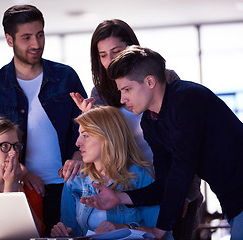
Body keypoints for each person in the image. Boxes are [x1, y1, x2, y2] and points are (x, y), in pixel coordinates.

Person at [80, 45, 243, 239]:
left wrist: (160, 229)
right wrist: (119, 198)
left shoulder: (187, 97)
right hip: (232, 202)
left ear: (149, 81)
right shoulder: (150, 123)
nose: (123, 99)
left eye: (127, 89)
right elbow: (165, 183)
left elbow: (182, 167)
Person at [70, 19, 202, 239]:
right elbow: (100, 143)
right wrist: (88, 120)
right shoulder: (99, 93)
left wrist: (185, 194)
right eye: (102, 55)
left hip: (173, 181)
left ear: (132, 49)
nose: (109, 60)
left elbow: (187, 144)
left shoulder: (164, 79)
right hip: (131, 186)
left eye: (116, 51)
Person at [0, 5, 87, 235]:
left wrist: (78, 155)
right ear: (9, 40)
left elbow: (88, 125)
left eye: (40, 34)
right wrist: (20, 171)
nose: (36, 44)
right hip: (21, 192)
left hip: (70, 189)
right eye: (27, 37)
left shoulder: (66, 76)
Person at [51, 106, 165, 238]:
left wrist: (123, 229)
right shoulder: (75, 178)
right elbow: (71, 230)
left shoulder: (143, 176)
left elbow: (159, 234)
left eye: (85, 135)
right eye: (79, 134)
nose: (77, 142)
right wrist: (61, 234)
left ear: (108, 137)